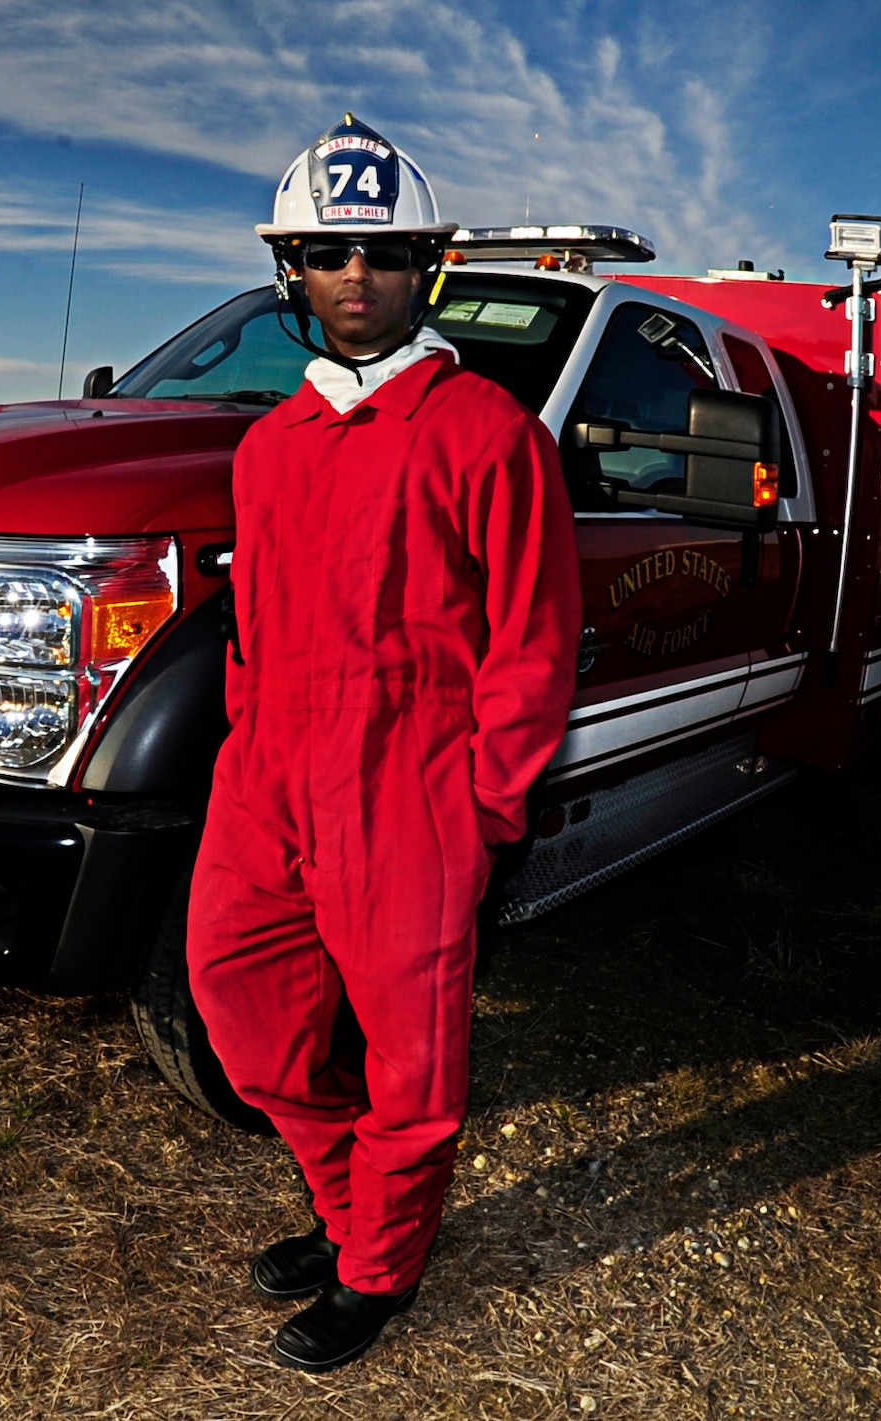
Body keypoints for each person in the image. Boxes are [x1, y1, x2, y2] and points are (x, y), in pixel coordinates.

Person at [186, 114, 582, 1372]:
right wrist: (244, 750)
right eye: (324, 252)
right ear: (290, 269)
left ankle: (380, 1267)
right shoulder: (265, 448)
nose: (353, 275)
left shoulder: (486, 434)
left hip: (409, 785)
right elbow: (249, 631)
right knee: (239, 1000)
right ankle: (346, 1196)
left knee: (410, 1055)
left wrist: (483, 808)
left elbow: (533, 643)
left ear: (429, 267)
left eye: (382, 251)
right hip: (267, 778)